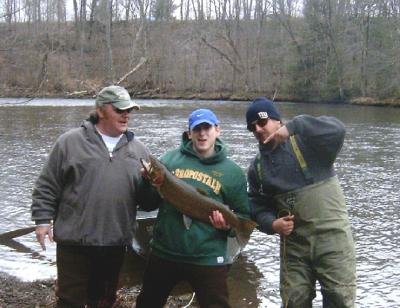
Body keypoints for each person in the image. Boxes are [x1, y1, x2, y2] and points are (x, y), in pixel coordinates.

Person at [31, 85, 156, 308]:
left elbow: (148, 203)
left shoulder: (140, 151)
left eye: (129, 110)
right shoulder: (69, 142)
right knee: (70, 302)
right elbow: (47, 185)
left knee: (104, 301)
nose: (126, 115)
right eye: (119, 110)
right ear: (100, 110)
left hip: (115, 243)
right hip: (74, 242)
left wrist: (151, 185)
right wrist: (42, 220)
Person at [246, 97, 357, 307]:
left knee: (339, 299)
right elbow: (256, 206)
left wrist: (296, 126)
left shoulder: (310, 144)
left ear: (278, 121)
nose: (258, 130)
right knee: (293, 301)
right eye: (253, 128)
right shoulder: (257, 169)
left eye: (262, 122)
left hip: (332, 242)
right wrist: (271, 224)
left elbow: (337, 130)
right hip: (294, 248)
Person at [135, 108, 251, 308]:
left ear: (217, 130)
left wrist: (229, 226)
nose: (202, 134)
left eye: (207, 128)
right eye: (197, 129)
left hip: (208, 257)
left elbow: (242, 214)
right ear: (189, 133)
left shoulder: (233, 173)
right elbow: (147, 204)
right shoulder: (169, 160)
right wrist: (147, 183)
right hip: (164, 252)